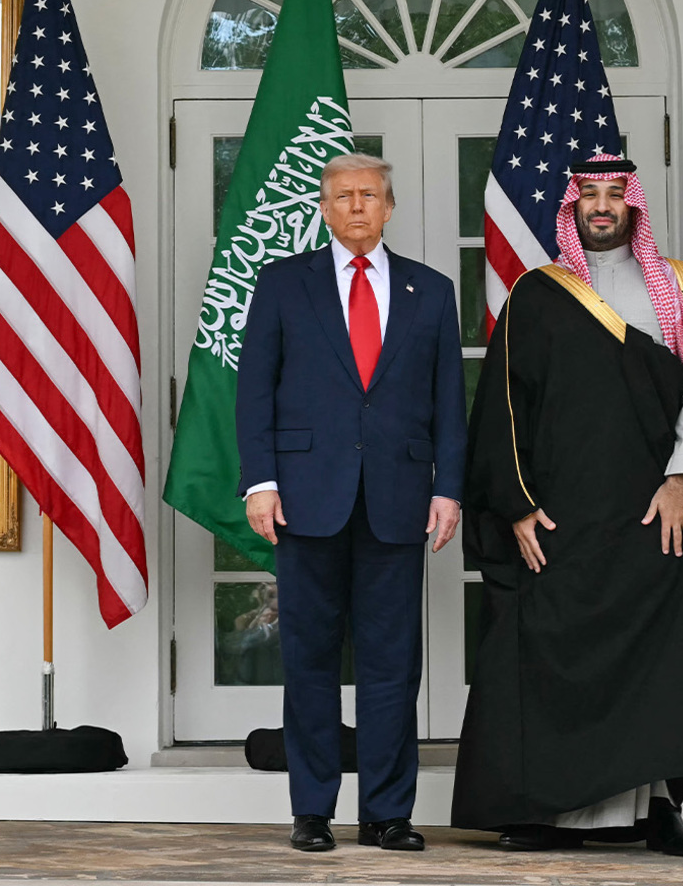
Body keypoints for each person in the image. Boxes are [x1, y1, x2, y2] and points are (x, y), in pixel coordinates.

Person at [451, 155, 683, 857]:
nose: (602, 206)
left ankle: (660, 809)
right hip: (566, 514)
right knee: (552, 650)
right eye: (590, 194)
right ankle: (547, 809)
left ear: (634, 206)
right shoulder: (538, 292)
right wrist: (517, 505)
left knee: (666, 659)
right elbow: (504, 406)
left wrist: (682, 479)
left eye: (614, 195)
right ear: (572, 206)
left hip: (665, 511)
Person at [236, 153, 466, 853]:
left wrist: (448, 488)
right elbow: (254, 390)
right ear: (325, 209)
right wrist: (260, 482)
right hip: (305, 498)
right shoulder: (283, 284)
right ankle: (312, 811)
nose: (357, 205)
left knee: (392, 665)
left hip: (399, 498)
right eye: (343, 196)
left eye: (369, 194)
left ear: (389, 207)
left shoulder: (432, 290)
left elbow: (450, 402)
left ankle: (387, 814)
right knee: (309, 659)